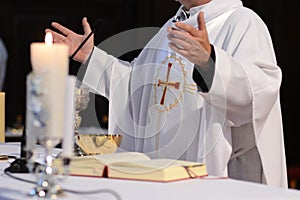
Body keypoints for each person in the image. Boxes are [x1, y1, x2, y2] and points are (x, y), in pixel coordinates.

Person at [46, 0, 287, 187]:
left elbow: (261, 91)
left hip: (213, 172)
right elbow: (134, 85)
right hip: (160, 176)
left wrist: (209, 62)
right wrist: (89, 56)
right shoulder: (170, 27)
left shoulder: (242, 22)